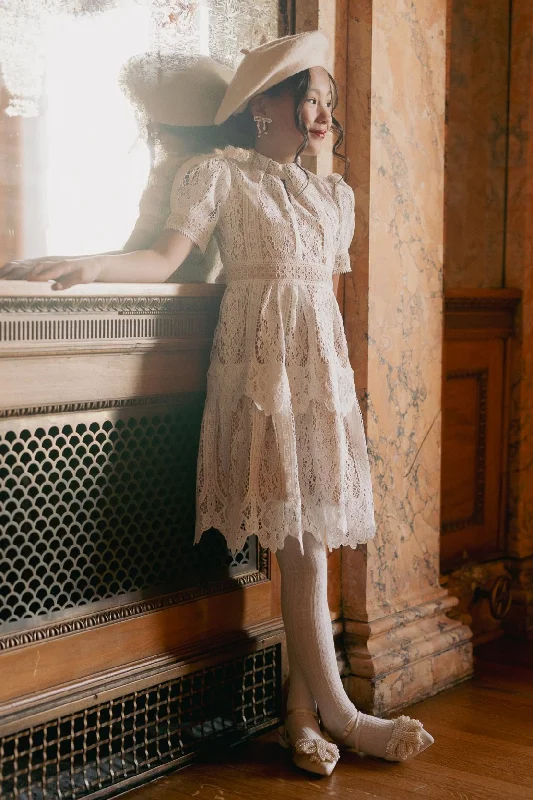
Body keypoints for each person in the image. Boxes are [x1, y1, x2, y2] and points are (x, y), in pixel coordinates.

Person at [0, 32, 434, 776]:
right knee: (295, 535)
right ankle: (342, 713)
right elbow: (166, 257)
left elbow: (320, 293)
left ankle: (301, 716)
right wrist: (91, 263)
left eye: (328, 100)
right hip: (260, 371)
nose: (322, 111)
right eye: (308, 96)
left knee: (313, 531)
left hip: (318, 372)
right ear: (264, 105)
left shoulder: (333, 195)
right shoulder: (219, 175)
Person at [1, 53, 232, 282]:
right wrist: (48, 265)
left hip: (179, 309)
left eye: (153, 113)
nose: (147, 125)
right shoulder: (173, 169)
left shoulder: (204, 170)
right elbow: (132, 254)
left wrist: (84, 266)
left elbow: (161, 260)